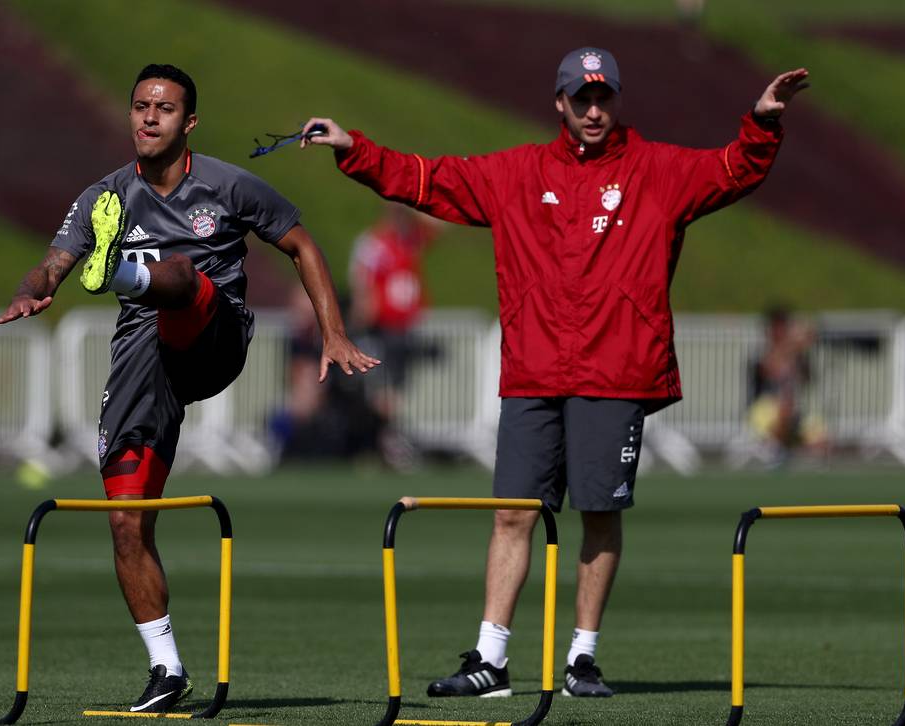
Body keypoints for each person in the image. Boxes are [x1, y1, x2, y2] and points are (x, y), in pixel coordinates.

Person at [303, 48, 807, 699]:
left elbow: (733, 170)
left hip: (615, 372)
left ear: (615, 100)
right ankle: (489, 660)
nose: (593, 110)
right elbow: (427, 179)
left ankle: (582, 660)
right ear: (560, 103)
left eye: (603, 98)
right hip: (534, 372)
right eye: (581, 98)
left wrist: (762, 122)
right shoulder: (515, 172)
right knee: (512, 514)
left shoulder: (659, 170)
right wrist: (354, 149)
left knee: (598, 512)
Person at [0, 63, 377, 713]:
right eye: (140, 106)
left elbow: (303, 246)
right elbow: (52, 264)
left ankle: (124, 271)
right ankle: (167, 669)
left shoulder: (228, 185)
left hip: (214, 334)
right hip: (145, 364)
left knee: (181, 278)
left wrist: (334, 333)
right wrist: (33, 290)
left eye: (163, 108)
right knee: (125, 521)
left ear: (188, 122)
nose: (148, 117)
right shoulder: (102, 197)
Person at [349, 204, 441, 468]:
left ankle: (385, 440)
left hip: (404, 326)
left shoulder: (410, 239)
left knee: (395, 389)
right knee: (383, 389)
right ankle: (381, 441)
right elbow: (362, 280)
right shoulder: (376, 242)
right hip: (382, 325)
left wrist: (414, 206)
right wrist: (362, 311)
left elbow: (438, 223)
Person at [747, 305, 827, 464]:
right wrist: (793, 345)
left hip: (794, 411)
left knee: (821, 437)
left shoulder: (797, 356)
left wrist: (801, 352)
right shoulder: (761, 353)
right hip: (763, 410)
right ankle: (778, 454)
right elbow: (769, 368)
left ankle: (798, 461)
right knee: (783, 410)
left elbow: (809, 379)